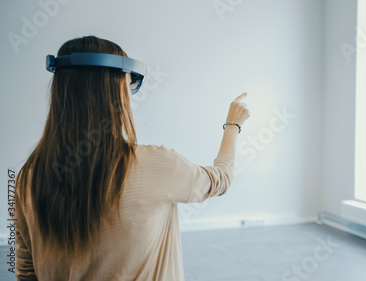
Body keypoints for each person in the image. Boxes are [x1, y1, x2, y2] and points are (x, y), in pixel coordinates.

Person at [12, 35, 250, 281]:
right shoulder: (156, 165)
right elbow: (220, 179)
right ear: (114, 93)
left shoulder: (28, 177)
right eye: (129, 85)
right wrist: (233, 125)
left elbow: (26, 271)